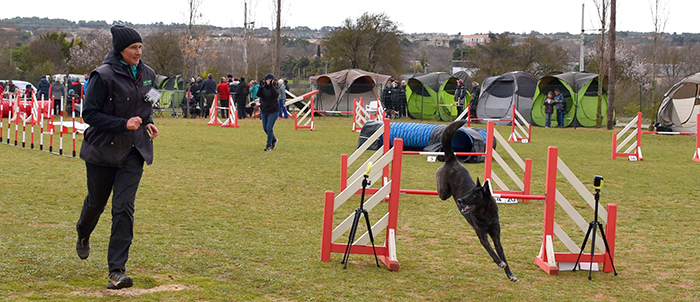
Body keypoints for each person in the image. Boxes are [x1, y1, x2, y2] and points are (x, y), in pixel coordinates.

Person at [76, 25, 159, 290]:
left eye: (140, 47)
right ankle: (83, 233)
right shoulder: (103, 76)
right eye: (133, 47)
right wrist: (123, 123)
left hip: (134, 150)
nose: (139, 52)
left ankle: (116, 271)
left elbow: (149, 103)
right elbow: (89, 115)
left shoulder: (149, 75)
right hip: (103, 150)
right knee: (96, 203)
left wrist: (148, 122)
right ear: (120, 49)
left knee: (123, 208)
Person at [257, 73, 279, 151]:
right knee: (265, 128)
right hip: (264, 110)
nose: (268, 81)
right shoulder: (263, 88)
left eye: (269, 80)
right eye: (267, 80)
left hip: (273, 110)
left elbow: (276, 94)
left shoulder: (275, 87)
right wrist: (261, 86)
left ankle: (269, 145)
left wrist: (271, 86)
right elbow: (258, 94)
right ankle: (274, 139)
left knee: (269, 128)